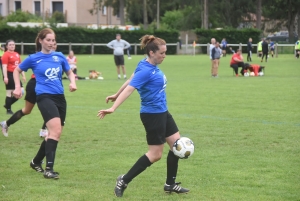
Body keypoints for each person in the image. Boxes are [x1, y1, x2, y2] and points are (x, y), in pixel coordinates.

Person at [98, 35, 190, 197]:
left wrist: (115, 94)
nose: (164, 56)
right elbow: (130, 88)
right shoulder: (147, 70)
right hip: (152, 115)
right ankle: (124, 180)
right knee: (155, 155)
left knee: (177, 146)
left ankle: (170, 184)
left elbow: (130, 79)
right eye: (162, 53)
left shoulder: (145, 64)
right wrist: (114, 106)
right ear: (152, 52)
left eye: (165, 52)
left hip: (163, 112)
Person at [12, 28, 77, 179]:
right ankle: (49, 169)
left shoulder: (59, 56)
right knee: (56, 132)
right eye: (48, 40)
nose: (51, 43)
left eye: (53, 40)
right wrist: (17, 86)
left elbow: (69, 72)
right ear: (41, 40)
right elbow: (16, 70)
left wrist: (72, 83)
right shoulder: (33, 58)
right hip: (44, 97)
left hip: (60, 98)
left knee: (54, 134)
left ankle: (35, 162)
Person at [0, 42, 58, 138]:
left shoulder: (57, 57)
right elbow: (19, 68)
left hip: (47, 86)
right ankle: (6, 124)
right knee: (27, 110)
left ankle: (43, 130)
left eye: (55, 43)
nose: (53, 44)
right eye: (50, 42)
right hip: (35, 84)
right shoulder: (38, 56)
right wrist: (17, 84)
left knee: (51, 107)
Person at [1, 39, 26, 115]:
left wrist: (23, 75)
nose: (12, 46)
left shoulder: (17, 54)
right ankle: (8, 109)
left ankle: (7, 105)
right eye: (10, 45)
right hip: (9, 74)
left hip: (16, 74)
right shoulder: (5, 54)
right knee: (10, 92)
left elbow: (20, 66)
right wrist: (5, 77)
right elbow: (4, 66)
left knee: (21, 91)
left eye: (13, 44)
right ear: (7, 46)